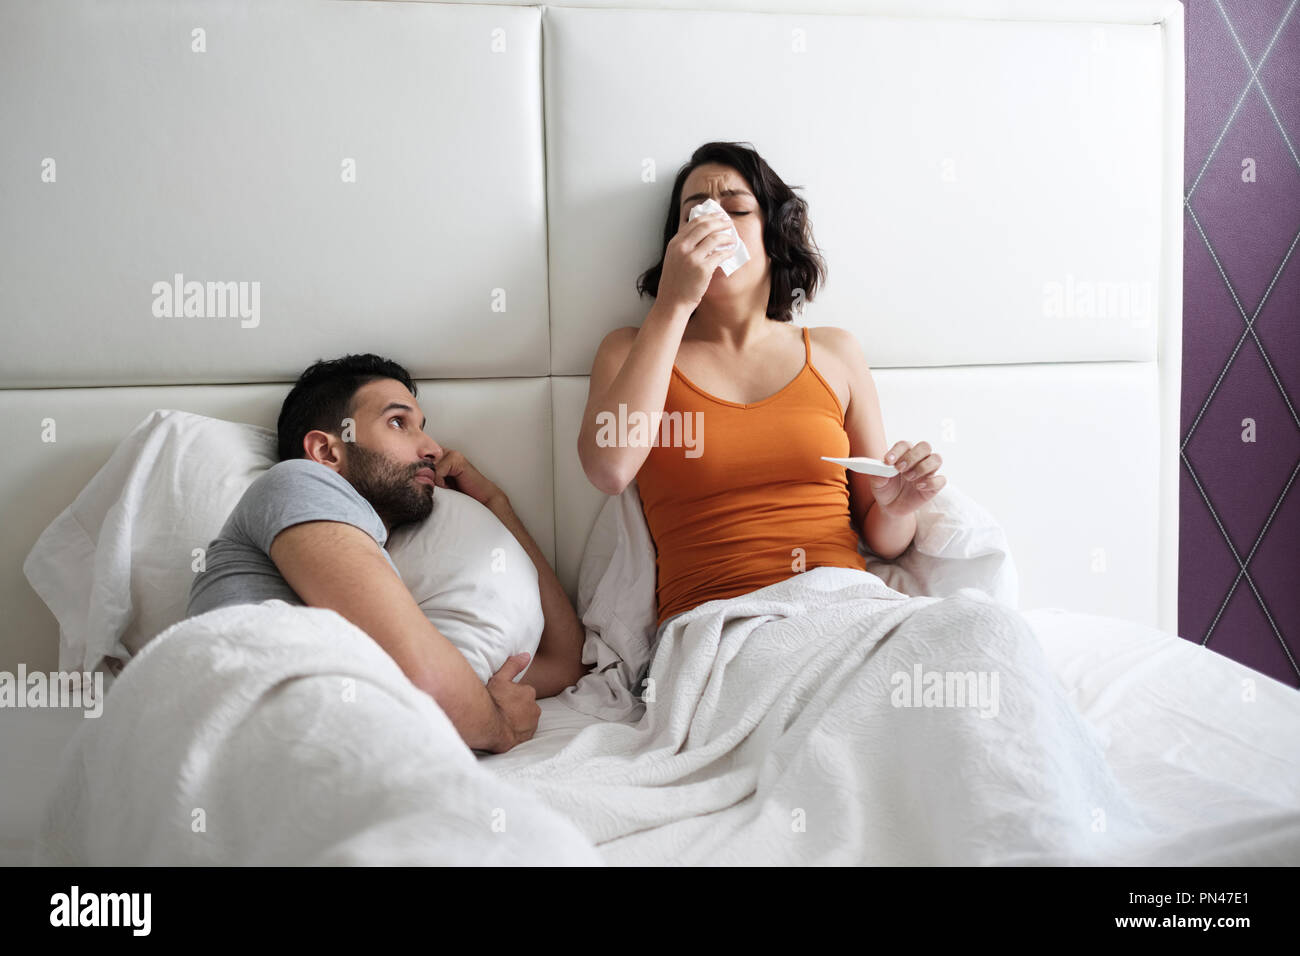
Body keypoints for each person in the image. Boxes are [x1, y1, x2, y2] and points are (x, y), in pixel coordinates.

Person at [578, 141, 948, 632]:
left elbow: (885, 538)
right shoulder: (630, 350)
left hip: (848, 610)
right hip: (720, 626)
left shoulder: (836, 354)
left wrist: (898, 506)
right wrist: (672, 304)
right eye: (697, 216)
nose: (716, 226)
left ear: (774, 234)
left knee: (989, 634)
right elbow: (610, 468)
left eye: (735, 209)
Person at [187, 354, 590, 754]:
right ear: (327, 453)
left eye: (424, 428)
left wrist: (496, 503)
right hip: (238, 738)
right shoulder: (295, 482)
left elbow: (564, 661)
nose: (432, 448)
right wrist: (499, 726)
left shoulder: (382, 564)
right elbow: (425, 681)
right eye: (398, 423)